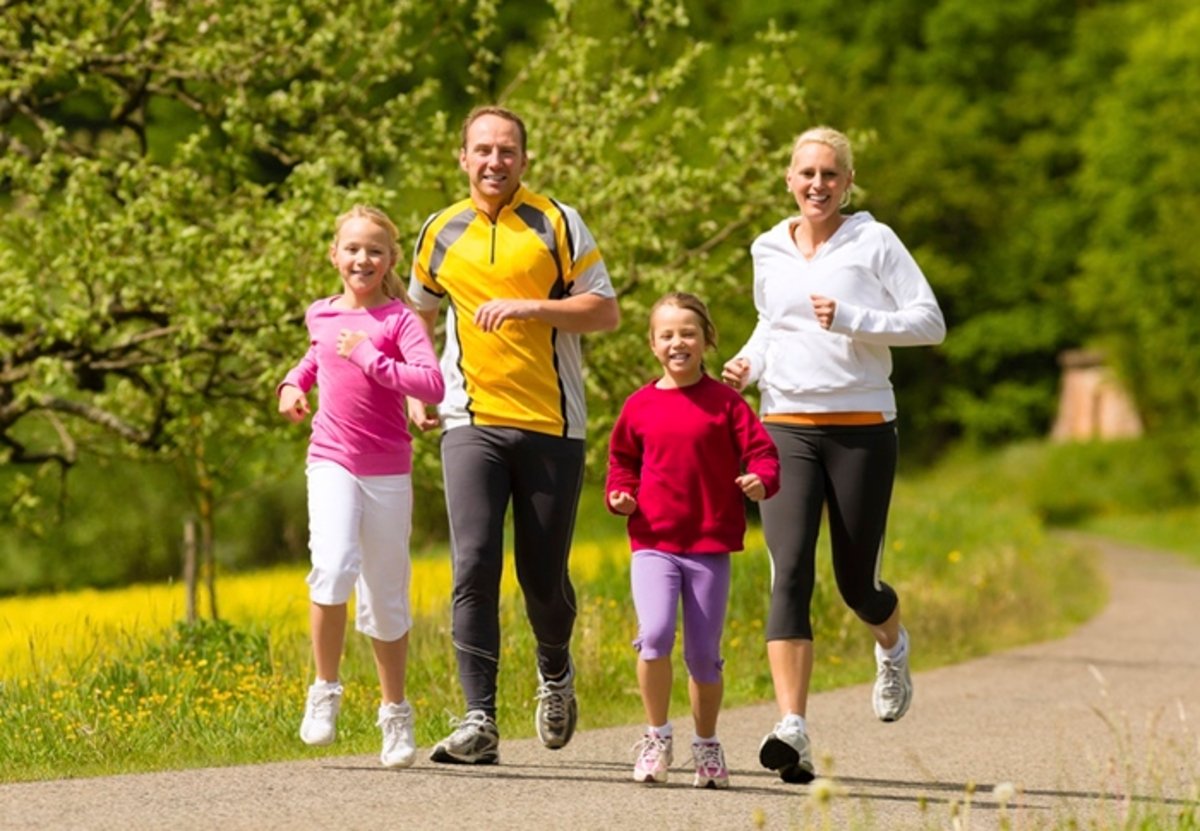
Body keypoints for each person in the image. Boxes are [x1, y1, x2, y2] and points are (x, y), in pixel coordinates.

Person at [721, 126, 946, 784]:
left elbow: (929, 321)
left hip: (862, 426)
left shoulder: (874, 241)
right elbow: (773, 321)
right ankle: (792, 725)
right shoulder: (767, 246)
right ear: (789, 179)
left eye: (830, 174)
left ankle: (892, 642)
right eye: (806, 173)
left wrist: (855, 318)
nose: (817, 184)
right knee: (787, 569)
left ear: (848, 183)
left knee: (856, 582)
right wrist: (749, 360)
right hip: (785, 423)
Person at [406, 105, 620, 765]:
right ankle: (480, 718)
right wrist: (419, 385)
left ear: (523, 159)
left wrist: (533, 307)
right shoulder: (440, 230)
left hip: (553, 424)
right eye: (482, 150)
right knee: (472, 563)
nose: (494, 161)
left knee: (542, 578)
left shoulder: (556, 221)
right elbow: (417, 309)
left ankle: (554, 670)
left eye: (507, 150)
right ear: (461, 157)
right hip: (471, 421)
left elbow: (605, 310)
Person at [277, 205, 445, 769]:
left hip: (387, 468)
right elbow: (316, 357)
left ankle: (395, 711)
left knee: (385, 596)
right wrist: (291, 385)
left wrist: (372, 358)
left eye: (374, 251)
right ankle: (325, 688)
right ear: (334, 255)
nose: (362, 259)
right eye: (352, 249)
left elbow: (431, 382)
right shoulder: (320, 315)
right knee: (333, 564)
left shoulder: (399, 321)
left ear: (390, 260)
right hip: (330, 457)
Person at [607, 292, 779, 789]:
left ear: (706, 341)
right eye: (667, 334)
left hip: (708, 545)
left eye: (688, 333)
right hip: (653, 541)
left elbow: (763, 453)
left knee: (703, 655)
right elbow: (622, 463)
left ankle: (707, 745)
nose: (678, 342)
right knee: (655, 634)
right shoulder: (639, 406)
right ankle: (657, 736)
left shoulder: (726, 404)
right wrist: (620, 495)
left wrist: (760, 480)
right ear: (653, 344)